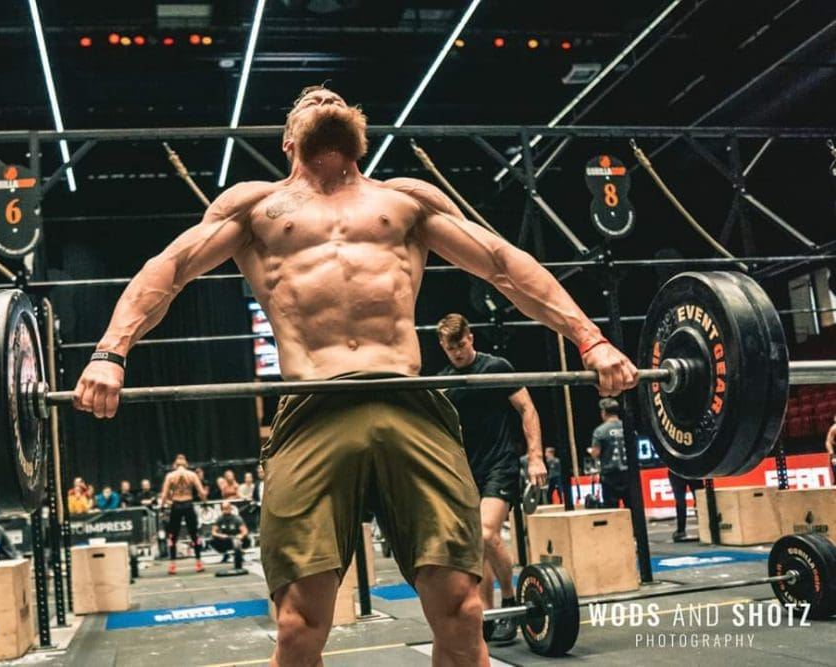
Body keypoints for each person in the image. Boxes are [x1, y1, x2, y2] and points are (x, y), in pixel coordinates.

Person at [71, 84, 637, 664]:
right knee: (299, 625)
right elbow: (168, 270)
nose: (323, 97)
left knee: (463, 609)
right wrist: (110, 352)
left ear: (361, 128)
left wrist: (589, 339)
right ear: (287, 139)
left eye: (332, 96)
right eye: (308, 99)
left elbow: (503, 265)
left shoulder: (406, 200)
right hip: (312, 408)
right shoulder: (254, 207)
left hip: (408, 402)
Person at [437, 313, 547, 643]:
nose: (457, 352)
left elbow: (527, 409)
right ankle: (487, 614)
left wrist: (536, 457)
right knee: (474, 545)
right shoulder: (443, 382)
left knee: (486, 534)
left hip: (500, 464)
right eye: (451, 348)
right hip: (464, 472)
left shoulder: (495, 367)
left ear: (470, 337)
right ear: (442, 347)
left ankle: (510, 600)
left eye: (461, 344)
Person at [161, 454, 209, 575]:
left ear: (175, 464)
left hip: (176, 505)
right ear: (186, 464)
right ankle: (198, 563)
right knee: (194, 534)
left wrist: (162, 507)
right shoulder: (192, 475)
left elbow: (164, 494)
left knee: (173, 535)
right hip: (188, 504)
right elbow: (201, 492)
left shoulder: (170, 476)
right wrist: (205, 503)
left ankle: (172, 565)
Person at [589, 398, 631, 509]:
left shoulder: (600, 431)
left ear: (604, 412)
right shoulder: (627, 426)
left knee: (612, 510)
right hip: (629, 473)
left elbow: (596, 453)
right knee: (632, 508)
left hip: (610, 475)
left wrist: (591, 452)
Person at [209, 501, 251, 570]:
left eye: (227, 508)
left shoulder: (237, 519)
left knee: (246, 538)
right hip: (226, 540)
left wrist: (241, 535)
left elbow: (245, 531)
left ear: (230, 508)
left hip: (237, 539)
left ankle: (240, 554)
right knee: (212, 540)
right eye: (224, 509)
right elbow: (213, 532)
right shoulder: (219, 519)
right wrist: (220, 535)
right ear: (222, 510)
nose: (226, 510)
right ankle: (225, 554)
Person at [667, 470, 703, 542]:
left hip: (676, 471)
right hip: (693, 470)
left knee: (681, 502)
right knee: (699, 498)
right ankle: (705, 527)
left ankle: (681, 531)